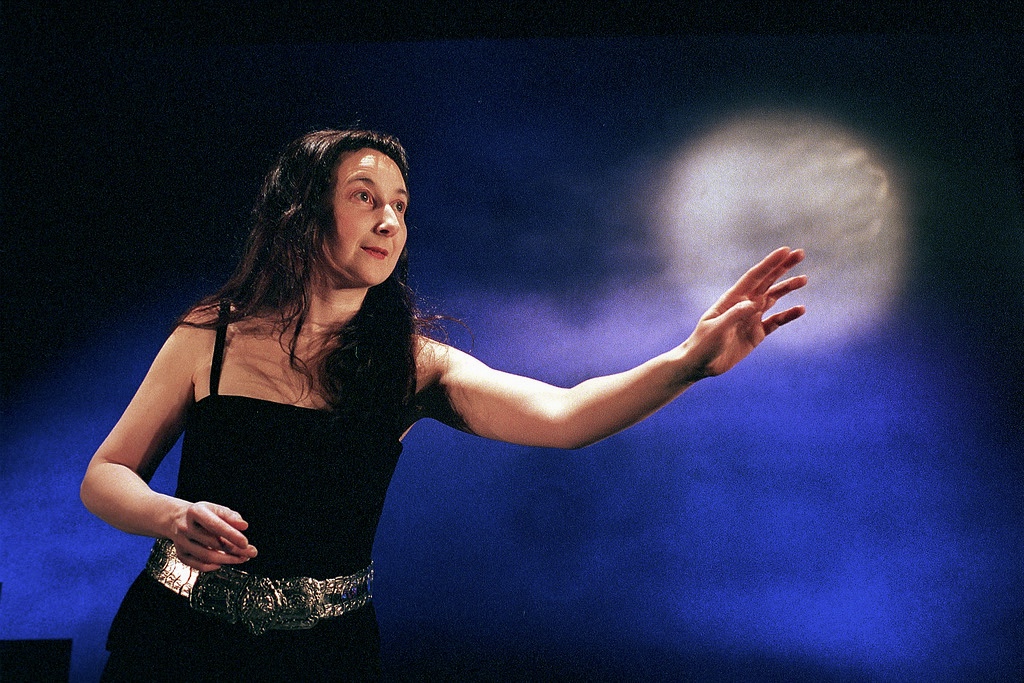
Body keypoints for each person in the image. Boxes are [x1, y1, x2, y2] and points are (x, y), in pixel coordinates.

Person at [81, 128, 807, 681]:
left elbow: (565, 416)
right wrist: (169, 516)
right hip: (174, 641)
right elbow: (106, 474)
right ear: (301, 210)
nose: (389, 220)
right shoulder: (209, 334)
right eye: (365, 196)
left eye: (400, 205)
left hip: (324, 655)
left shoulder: (415, 365)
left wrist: (686, 364)